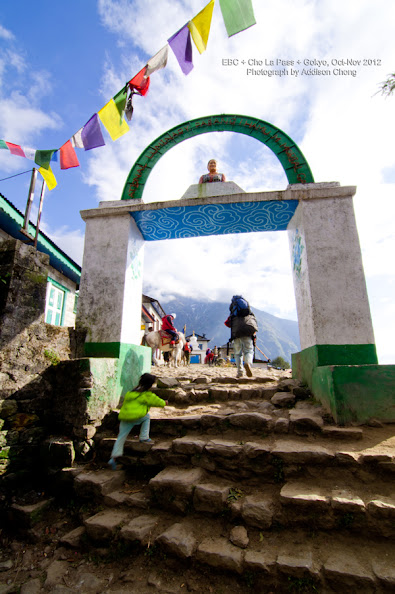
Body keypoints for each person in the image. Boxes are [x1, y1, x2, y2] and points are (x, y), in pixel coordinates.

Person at [108, 373, 167, 470]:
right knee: (147, 417)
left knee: (121, 437)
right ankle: (144, 437)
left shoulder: (130, 393)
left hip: (125, 417)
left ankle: (113, 459)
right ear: (150, 385)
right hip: (136, 417)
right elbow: (158, 402)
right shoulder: (147, 395)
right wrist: (164, 402)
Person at [224, 295, 258, 378]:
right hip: (247, 333)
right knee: (249, 350)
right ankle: (248, 363)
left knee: (238, 354)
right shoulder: (249, 313)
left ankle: (240, 372)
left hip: (236, 333)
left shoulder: (233, 314)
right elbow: (254, 323)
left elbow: (227, 323)